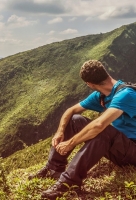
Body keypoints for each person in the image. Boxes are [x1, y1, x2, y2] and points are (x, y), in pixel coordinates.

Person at [28, 60, 136, 200]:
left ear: (89, 84)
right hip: (122, 146)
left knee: (102, 131)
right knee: (75, 119)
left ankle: (68, 184)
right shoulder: (102, 96)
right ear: (106, 73)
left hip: (133, 149)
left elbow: (99, 125)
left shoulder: (125, 94)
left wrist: (71, 143)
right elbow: (71, 110)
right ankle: (53, 168)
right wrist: (60, 131)